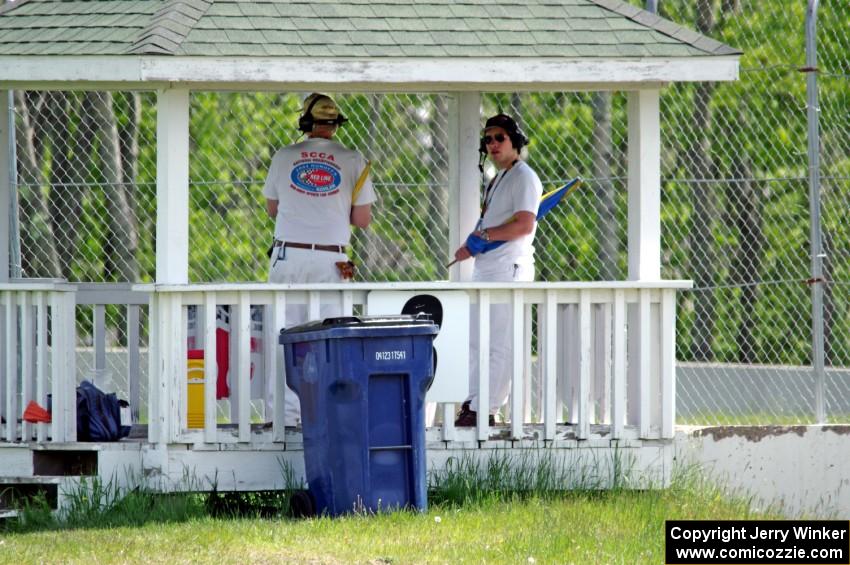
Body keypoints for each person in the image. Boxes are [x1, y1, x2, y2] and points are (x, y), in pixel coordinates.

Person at [263, 93, 375, 424]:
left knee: (284, 334)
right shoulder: (354, 159)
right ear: (335, 126)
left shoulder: (283, 157)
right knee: (332, 338)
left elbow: (272, 208)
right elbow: (363, 219)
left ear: (306, 123)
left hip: (289, 255)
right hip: (332, 259)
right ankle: (328, 414)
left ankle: (283, 417)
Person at [451, 113, 543, 426]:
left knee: (501, 343)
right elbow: (491, 223)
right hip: (486, 268)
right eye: (487, 139)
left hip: (509, 269)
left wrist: (486, 236)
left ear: (514, 141)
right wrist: (474, 242)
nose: (492, 144)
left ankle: (485, 408)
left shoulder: (524, 177)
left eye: (499, 137)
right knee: (478, 341)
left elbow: (524, 223)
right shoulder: (498, 178)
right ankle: (471, 402)